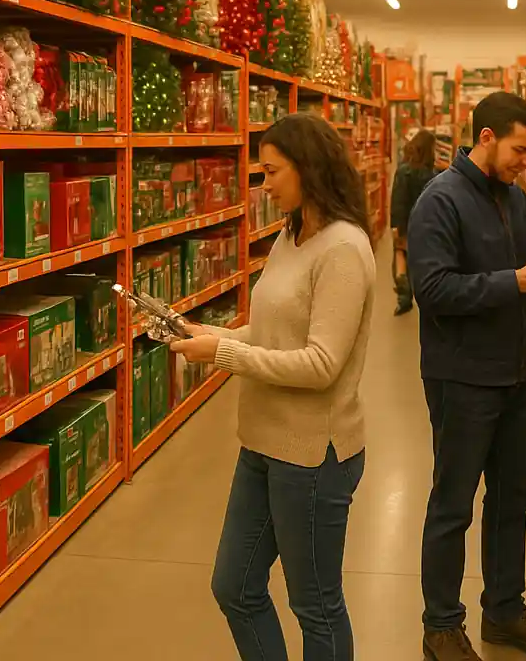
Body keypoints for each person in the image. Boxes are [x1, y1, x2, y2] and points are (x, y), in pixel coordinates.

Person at [172, 112, 376, 661]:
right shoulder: (292, 234)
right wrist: (214, 333)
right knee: (233, 586)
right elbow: (275, 328)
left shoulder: (343, 250)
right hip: (262, 441)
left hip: (313, 454)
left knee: (316, 607)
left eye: (272, 172)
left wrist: (225, 353)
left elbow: (320, 364)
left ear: (308, 169)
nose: (265, 186)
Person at [408, 91, 526, 661]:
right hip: (462, 378)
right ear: (486, 138)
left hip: (517, 375)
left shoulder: (514, 199)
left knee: (513, 497)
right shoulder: (438, 201)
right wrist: (512, 283)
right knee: (453, 502)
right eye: (522, 149)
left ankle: (504, 610)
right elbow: (432, 289)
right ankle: (441, 624)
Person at [391, 128, 436, 314]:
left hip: (406, 220)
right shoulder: (432, 174)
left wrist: (395, 225)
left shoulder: (404, 171)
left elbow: (398, 200)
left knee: (401, 254)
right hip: (425, 223)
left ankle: (404, 296)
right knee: (421, 259)